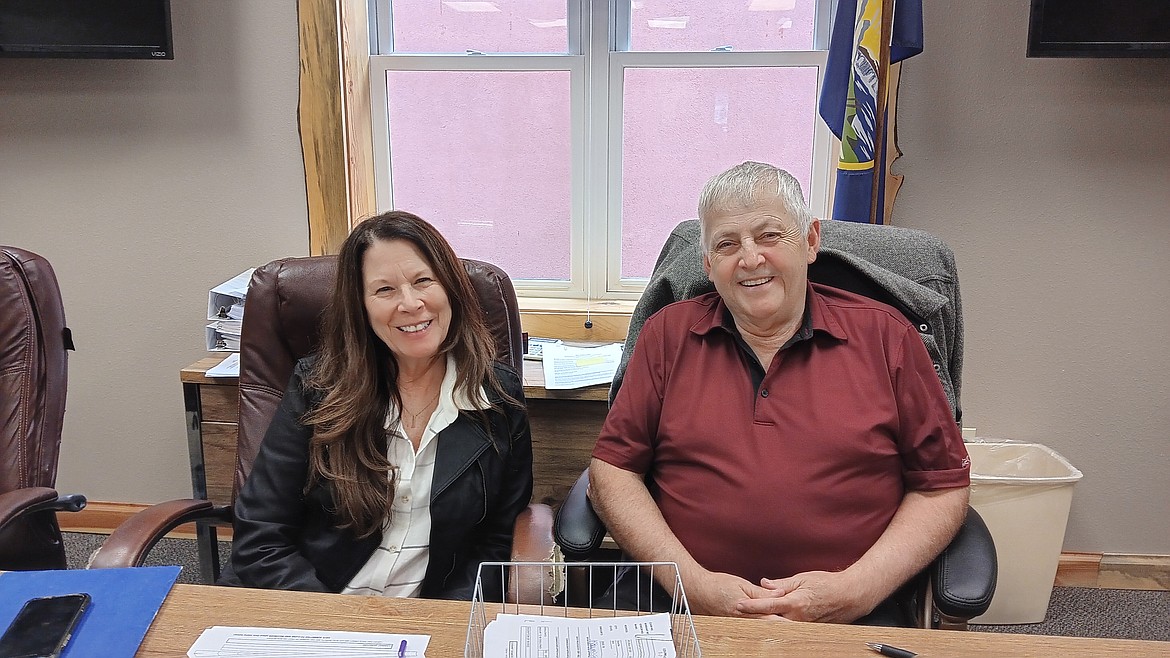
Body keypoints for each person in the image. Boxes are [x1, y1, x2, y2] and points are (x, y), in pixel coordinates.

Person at [588, 162, 970, 624]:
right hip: (681, 607)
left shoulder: (888, 338)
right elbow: (612, 471)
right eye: (727, 244)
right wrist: (692, 584)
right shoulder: (667, 334)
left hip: (850, 616)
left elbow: (942, 488)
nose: (750, 259)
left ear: (810, 242)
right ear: (708, 265)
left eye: (769, 236)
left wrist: (856, 590)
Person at [226, 210, 534, 600]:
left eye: (423, 281)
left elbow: (495, 543)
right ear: (362, 306)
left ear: (450, 288)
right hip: (314, 606)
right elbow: (261, 536)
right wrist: (333, 627)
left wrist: (448, 623)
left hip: (427, 620)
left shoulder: (498, 397)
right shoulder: (318, 388)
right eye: (384, 290)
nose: (410, 303)